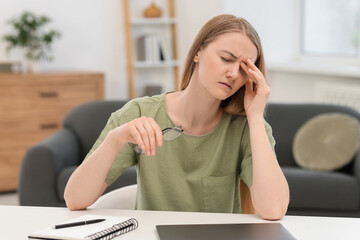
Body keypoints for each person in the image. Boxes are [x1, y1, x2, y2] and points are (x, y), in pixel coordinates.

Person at [64, 14, 289, 220]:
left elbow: (274, 209)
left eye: (243, 69)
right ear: (198, 52)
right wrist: (116, 139)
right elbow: (75, 199)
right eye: (226, 58)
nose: (233, 74)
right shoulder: (140, 113)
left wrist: (256, 117)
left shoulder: (246, 127)